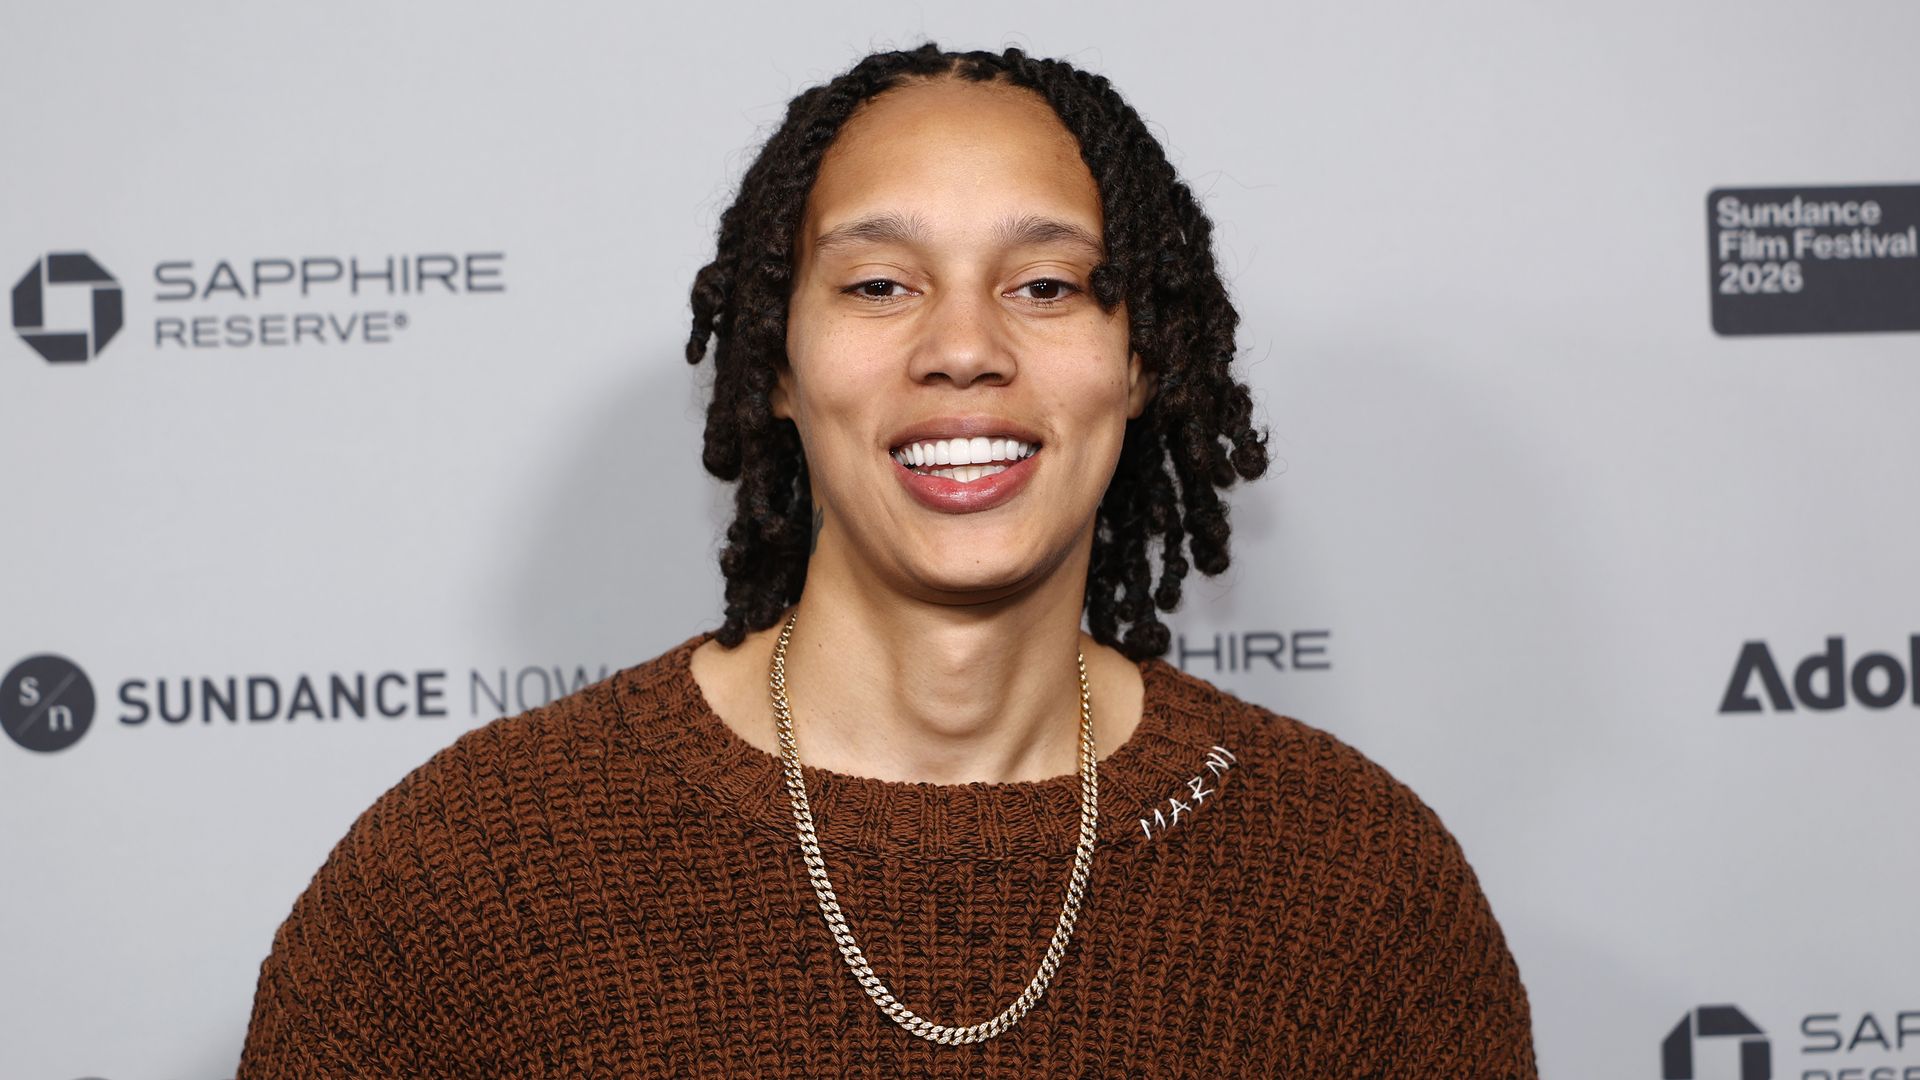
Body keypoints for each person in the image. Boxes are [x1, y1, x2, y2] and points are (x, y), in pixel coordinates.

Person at [237, 43, 1537, 1077]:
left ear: (1143, 361)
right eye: (878, 287)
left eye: (1046, 286)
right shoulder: (467, 883)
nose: (962, 347)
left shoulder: (1359, 886)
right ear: (777, 366)